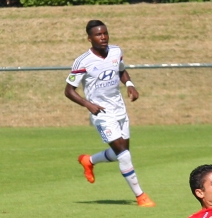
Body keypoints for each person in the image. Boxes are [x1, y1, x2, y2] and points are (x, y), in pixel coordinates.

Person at [64, 20, 155, 207]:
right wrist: (88, 104)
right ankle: (141, 196)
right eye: (98, 34)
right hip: (101, 113)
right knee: (124, 155)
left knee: (121, 152)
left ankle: (88, 160)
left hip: (119, 108)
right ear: (89, 38)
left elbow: (121, 71)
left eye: (105, 33)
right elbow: (69, 90)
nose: (103, 37)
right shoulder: (83, 61)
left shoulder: (116, 51)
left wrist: (129, 85)